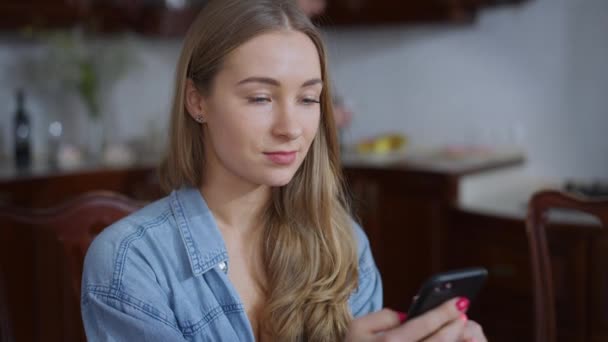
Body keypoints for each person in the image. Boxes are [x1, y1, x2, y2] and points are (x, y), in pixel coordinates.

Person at [81, 0, 487, 341]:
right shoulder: (131, 263)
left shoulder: (343, 243)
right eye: (260, 98)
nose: (290, 128)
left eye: (308, 99)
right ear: (196, 101)